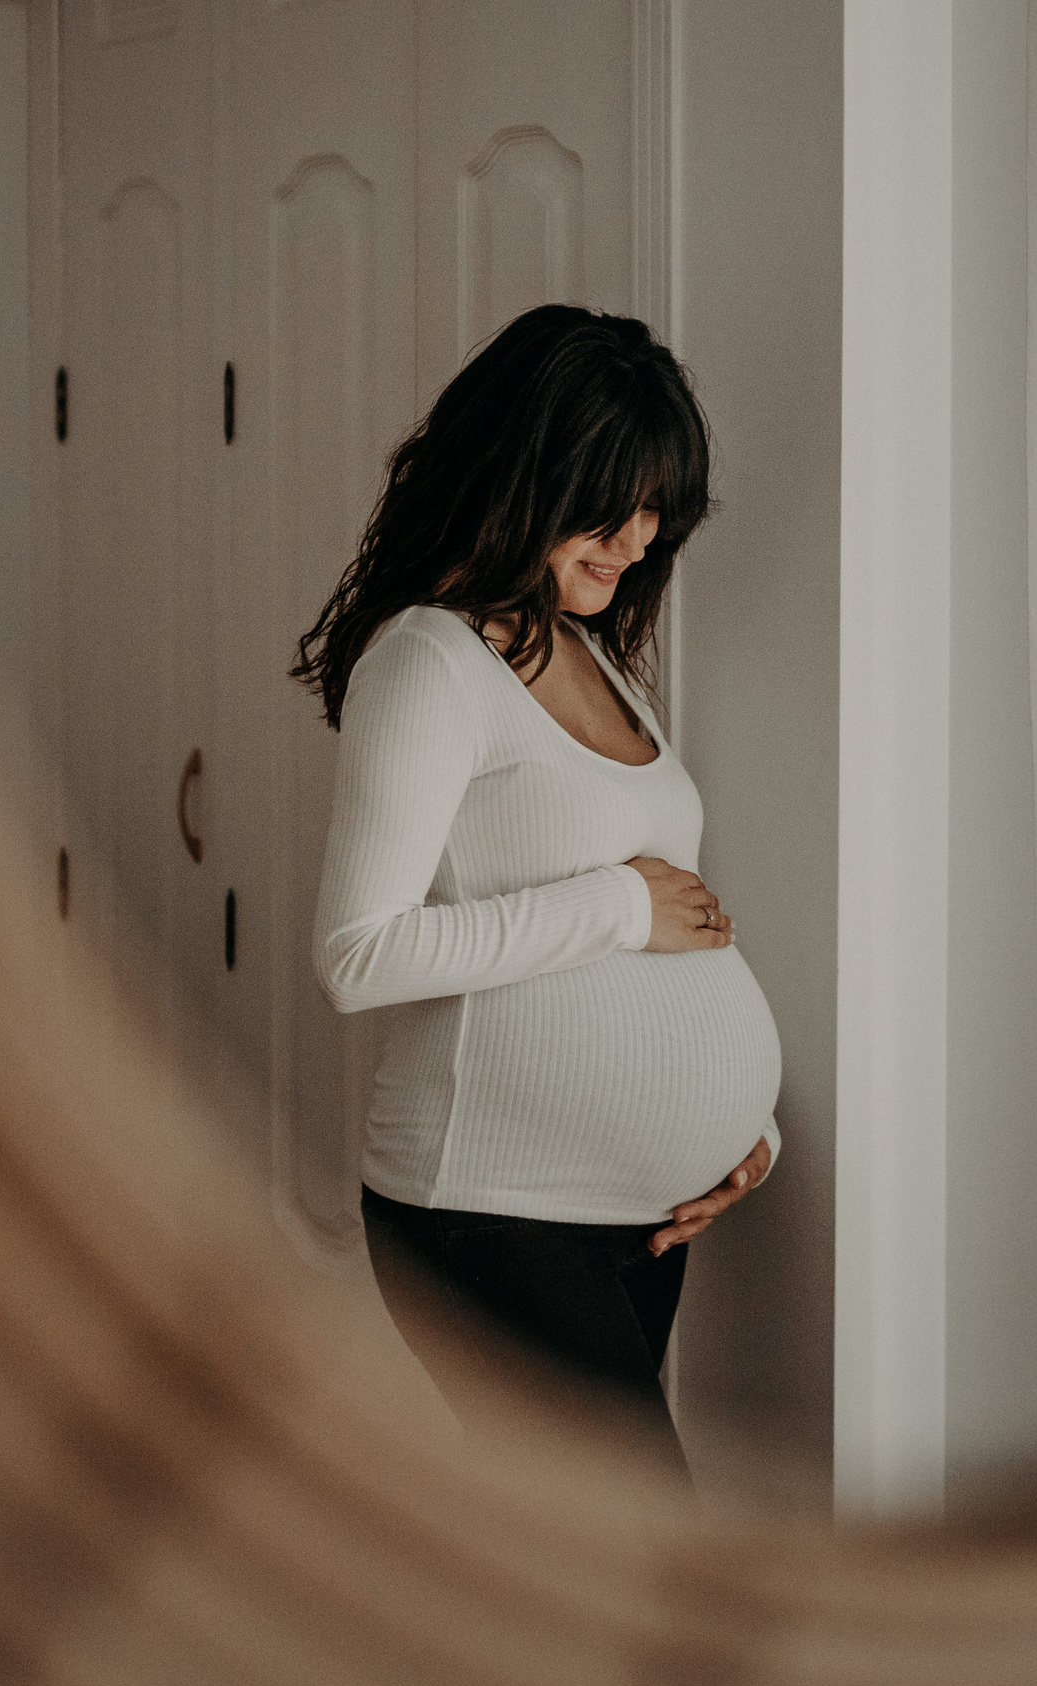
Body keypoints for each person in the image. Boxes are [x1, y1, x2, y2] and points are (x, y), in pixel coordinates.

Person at [292, 304, 780, 1477]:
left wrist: (736, 1132)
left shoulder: (595, 652)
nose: (638, 537)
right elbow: (358, 953)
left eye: (657, 507)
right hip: (491, 1213)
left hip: (638, 1223)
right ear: (523, 474)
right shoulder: (427, 661)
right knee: (636, 1559)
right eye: (608, 505)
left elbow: (679, 929)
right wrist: (615, 904)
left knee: (588, 1577)